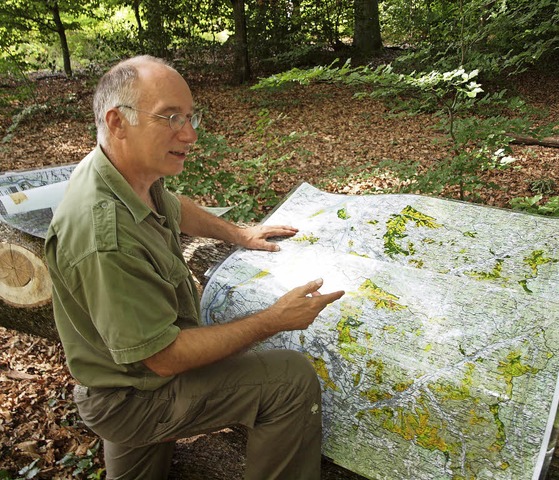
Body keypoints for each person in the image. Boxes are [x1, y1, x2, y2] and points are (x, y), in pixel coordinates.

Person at [44, 55, 345, 480]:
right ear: (117, 122)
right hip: (132, 396)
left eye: (190, 116)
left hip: (122, 379)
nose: (189, 134)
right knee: (289, 380)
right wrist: (274, 320)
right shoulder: (102, 236)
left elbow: (172, 207)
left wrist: (239, 233)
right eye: (170, 118)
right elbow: (164, 358)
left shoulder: (120, 171)